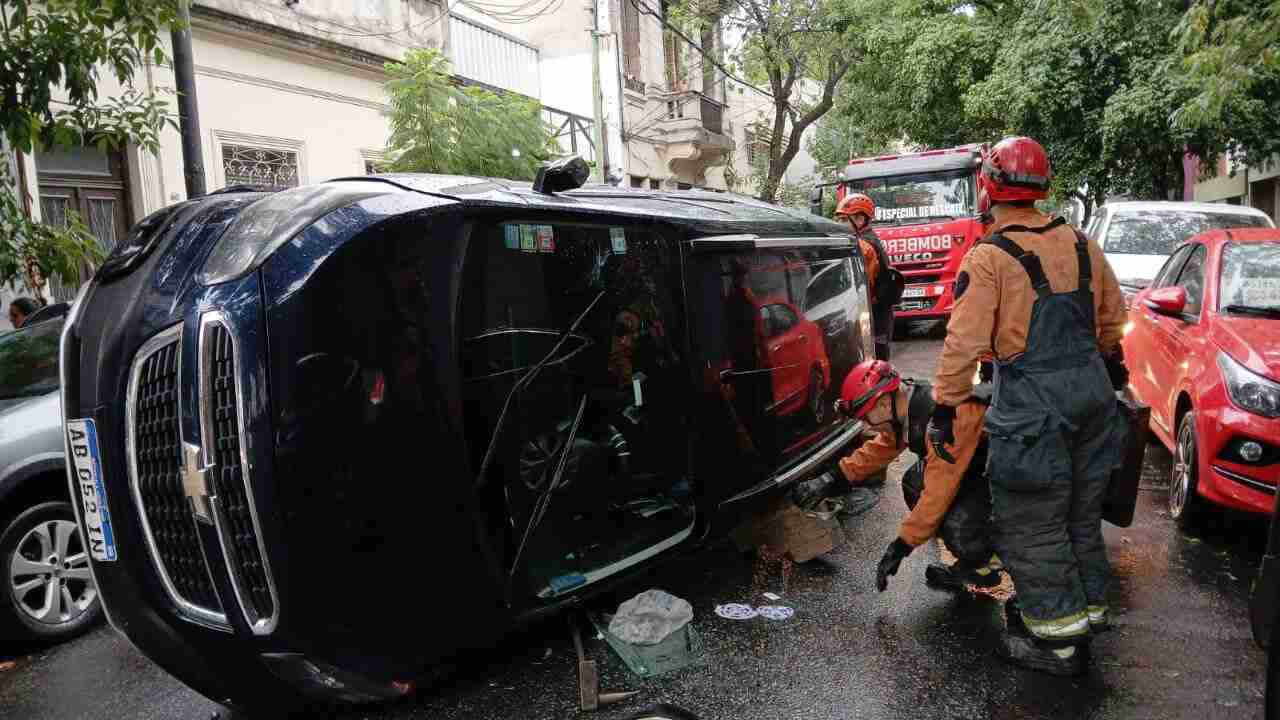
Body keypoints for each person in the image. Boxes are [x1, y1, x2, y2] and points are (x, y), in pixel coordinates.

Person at [930, 136, 1128, 676]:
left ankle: (1058, 646)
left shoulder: (989, 257)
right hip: (1092, 396)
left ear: (988, 186)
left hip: (1033, 408)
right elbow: (1113, 323)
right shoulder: (1083, 244)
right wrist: (1099, 367)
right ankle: (1086, 614)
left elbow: (963, 343)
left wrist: (945, 407)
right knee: (1080, 517)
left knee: (1032, 524)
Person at [791, 358, 999, 592]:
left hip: (1009, 483)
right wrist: (832, 478)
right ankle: (978, 558)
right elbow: (882, 448)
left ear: (883, 404)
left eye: (865, 418)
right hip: (977, 470)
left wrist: (900, 547)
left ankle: (996, 567)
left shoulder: (944, 423)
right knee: (915, 483)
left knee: (956, 522)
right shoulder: (911, 407)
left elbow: (937, 495)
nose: (866, 427)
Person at [834, 193, 900, 360]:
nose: (839, 224)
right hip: (879, 314)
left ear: (860, 219)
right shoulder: (867, 239)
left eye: (843, 219)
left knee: (872, 364)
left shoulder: (864, 246)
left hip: (873, 316)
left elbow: (860, 288)